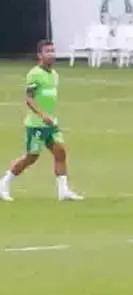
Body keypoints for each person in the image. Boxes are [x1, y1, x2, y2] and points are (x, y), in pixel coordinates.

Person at [0, 40, 82, 202]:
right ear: (40, 55)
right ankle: (4, 183)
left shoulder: (54, 75)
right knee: (31, 157)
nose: (51, 54)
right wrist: (42, 115)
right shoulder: (34, 74)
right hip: (36, 124)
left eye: (53, 51)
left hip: (51, 124)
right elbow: (29, 99)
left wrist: (51, 117)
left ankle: (63, 191)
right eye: (47, 51)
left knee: (60, 152)